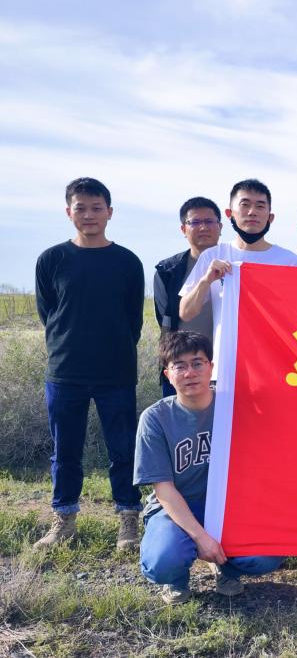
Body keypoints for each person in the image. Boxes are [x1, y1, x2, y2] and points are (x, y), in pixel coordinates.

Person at [34, 177, 144, 550]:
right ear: (69, 212)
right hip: (65, 372)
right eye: (80, 208)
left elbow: (133, 320)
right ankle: (64, 520)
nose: (89, 215)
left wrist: (113, 347)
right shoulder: (51, 259)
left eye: (97, 208)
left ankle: (128, 518)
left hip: (116, 372)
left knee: (123, 450)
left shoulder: (127, 262)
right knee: (65, 451)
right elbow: (48, 314)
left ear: (109, 212)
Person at [135, 331, 282, 603]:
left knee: (266, 554)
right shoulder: (155, 419)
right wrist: (201, 536)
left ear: (211, 367)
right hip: (176, 508)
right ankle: (176, 578)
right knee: (163, 560)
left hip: (229, 507)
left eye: (197, 363)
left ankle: (226, 567)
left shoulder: (236, 406)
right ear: (168, 375)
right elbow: (164, 490)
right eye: (180, 366)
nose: (190, 373)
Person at [179, 179, 297, 379]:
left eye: (260, 206)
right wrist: (206, 280)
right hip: (226, 368)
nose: (252, 212)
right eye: (245, 205)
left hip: (276, 368)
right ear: (230, 213)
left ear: (270, 217)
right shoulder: (213, 256)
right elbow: (186, 312)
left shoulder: (289, 261)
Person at [154, 197, 223, 396]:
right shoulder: (168, 271)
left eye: (209, 221)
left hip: (226, 367)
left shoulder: (235, 264)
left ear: (220, 227)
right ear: (183, 229)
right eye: (195, 222)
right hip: (183, 368)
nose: (203, 227)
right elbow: (165, 319)